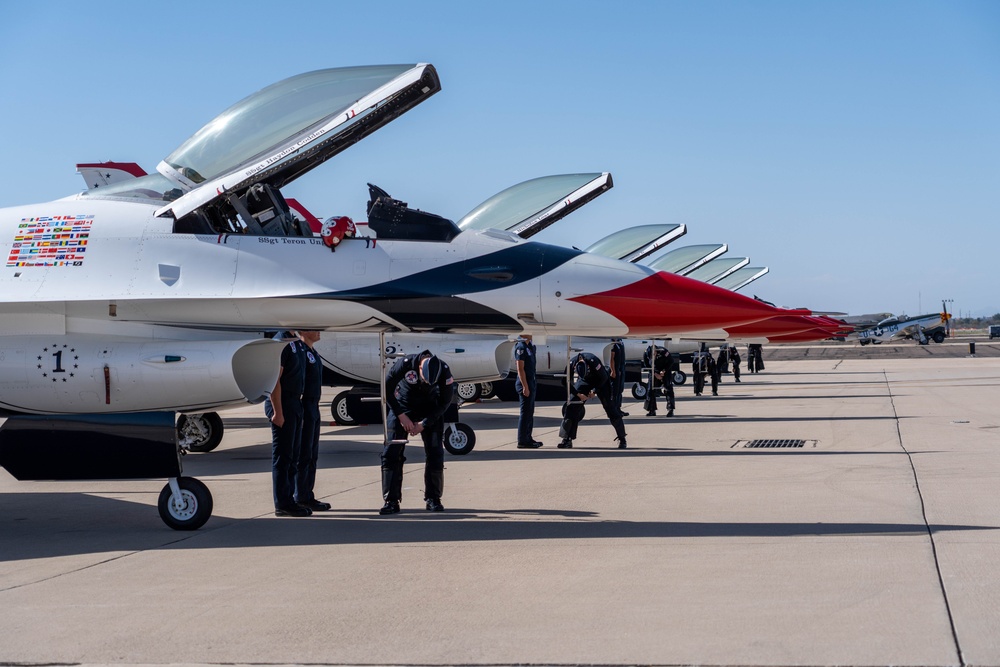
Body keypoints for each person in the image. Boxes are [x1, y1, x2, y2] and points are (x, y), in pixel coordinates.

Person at [380, 350, 455, 514]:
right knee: (391, 453)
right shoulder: (406, 363)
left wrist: (424, 423)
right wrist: (401, 416)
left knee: (435, 453)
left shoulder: (444, 369)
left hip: (430, 409)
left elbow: (445, 402)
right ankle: (391, 500)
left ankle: (433, 498)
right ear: (420, 368)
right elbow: (386, 388)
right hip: (402, 407)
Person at [264, 332, 311, 517]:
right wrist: (278, 412)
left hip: (294, 403)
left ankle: (289, 499)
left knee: (292, 456)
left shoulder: (295, 342)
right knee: (283, 457)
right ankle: (282, 503)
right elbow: (275, 379)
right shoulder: (281, 342)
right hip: (282, 403)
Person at [557, 351, 627, 449]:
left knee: (611, 408)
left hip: (601, 380)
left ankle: (622, 438)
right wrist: (578, 394)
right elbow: (564, 381)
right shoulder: (572, 363)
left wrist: (594, 391)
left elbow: (604, 377)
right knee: (572, 406)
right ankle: (567, 439)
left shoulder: (593, 360)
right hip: (585, 381)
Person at [295, 330, 331, 512]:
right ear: (302, 331)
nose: (318, 331)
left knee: (312, 454)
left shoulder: (313, 353)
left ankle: (308, 493)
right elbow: (298, 381)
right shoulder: (300, 351)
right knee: (303, 454)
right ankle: (300, 495)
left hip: (314, 406)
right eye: (313, 328)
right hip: (305, 405)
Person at [514, 334, 542, 449]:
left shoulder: (530, 346)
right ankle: (522, 440)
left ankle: (528, 437)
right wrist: (525, 386)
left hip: (531, 382)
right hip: (524, 383)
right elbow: (520, 368)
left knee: (530, 412)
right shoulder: (520, 347)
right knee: (525, 413)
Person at [644, 345, 675, 417]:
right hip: (654, 372)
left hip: (665, 370)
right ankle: (651, 410)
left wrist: (664, 371)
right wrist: (655, 374)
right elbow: (647, 365)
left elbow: (671, 361)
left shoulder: (664, 352)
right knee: (650, 390)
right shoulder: (646, 353)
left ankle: (670, 409)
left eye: (654, 354)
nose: (653, 356)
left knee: (668, 389)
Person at [609, 338, 627, 417]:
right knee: (615, 391)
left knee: (620, 390)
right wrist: (613, 370)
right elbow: (612, 358)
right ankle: (614, 410)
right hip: (616, 369)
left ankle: (618, 408)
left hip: (621, 368)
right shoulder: (613, 345)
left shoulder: (620, 343)